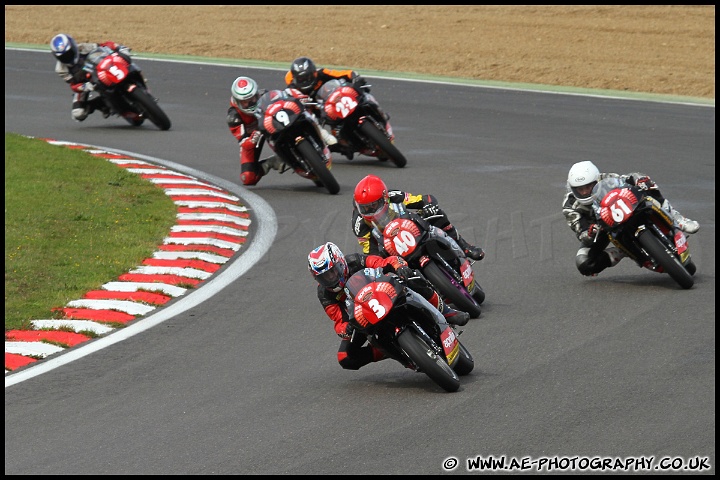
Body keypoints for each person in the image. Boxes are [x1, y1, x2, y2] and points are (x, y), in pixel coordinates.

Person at [308, 242, 470, 371]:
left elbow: (384, 261)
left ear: (341, 263)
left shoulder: (355, 261)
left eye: (332, 272)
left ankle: (446, 311)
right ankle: (389, 351)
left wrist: (399, 267)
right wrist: (346, 329)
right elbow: (338, 321)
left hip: (384, 294)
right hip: (362, 317)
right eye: (323, 277)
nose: (330, 279)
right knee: (345, 357)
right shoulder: (325, 294)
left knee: (412, 277)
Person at [563, 160, 700, 276]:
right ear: (572, 188)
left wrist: (640, 180)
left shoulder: (606, 178)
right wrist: (589, 232)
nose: (585, 192)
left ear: (596, 180)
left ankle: (677, 219)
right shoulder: (570, 206)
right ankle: (622, 251)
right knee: (583, 263)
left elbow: (628, 178)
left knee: (647, 189)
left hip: (624, 209)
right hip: (602, 229)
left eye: (588, 186)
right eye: (580, 189)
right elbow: (580, 231)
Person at [352, 174, 485, 261]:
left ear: (384, 198)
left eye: (374, 205)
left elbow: (425, 199)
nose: (370, 210)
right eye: (365, 208)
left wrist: (429, 206)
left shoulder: (394, 196)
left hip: (411, 227)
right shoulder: (359, 223)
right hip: (389, 246)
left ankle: (464, 246)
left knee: (437, 214)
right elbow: (370, 250)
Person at [284, 56, 371, 147]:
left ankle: (377, 111)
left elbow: (342, 73)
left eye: (308, 76)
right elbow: (292, 104)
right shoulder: (292, 88)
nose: (306, 80)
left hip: (336, 99)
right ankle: (325, 138)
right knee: (307, 122)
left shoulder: (322, 73)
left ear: (314, 72)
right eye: (301, 79)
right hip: (319, 111)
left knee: (363, 93)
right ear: (295, 78)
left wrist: (355, 77)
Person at [50, 33, 130, 121]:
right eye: (63, 57)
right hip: (85, 83)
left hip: (101, 70)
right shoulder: (61, 69)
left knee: (122, 60)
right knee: (78, 114)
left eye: (69, 53)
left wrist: (119, 48)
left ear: (73, 46)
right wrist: (85, 87)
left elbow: (104, 46)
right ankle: (100, 105)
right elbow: (73, 85)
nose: (67, 57)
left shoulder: (83, 47)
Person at [226, 76, 285, 186]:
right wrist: (252, 139)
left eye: (252, 98)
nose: (251, 103)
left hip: (270, 125)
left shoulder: (266, 96)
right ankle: (272, 163)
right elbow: (243, 143)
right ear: (238, 101)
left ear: (257, 94)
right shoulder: (233, 117)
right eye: (245, 102)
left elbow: (285, 100)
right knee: (248, 177)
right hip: (253, 137)